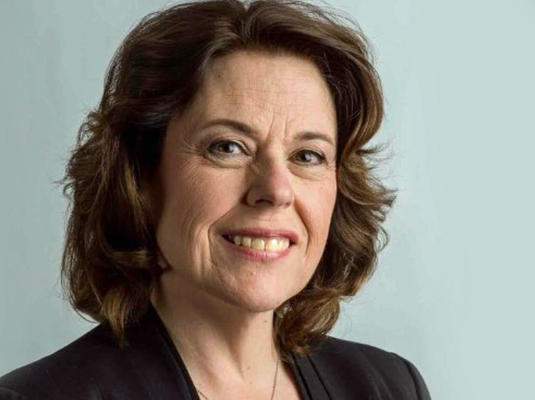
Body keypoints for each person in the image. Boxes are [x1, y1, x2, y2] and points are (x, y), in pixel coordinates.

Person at [0, 0, 431, 399]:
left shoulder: (389, 388)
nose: (276, 190)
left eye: (307, 156)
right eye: (228, 147)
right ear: (142, 176)